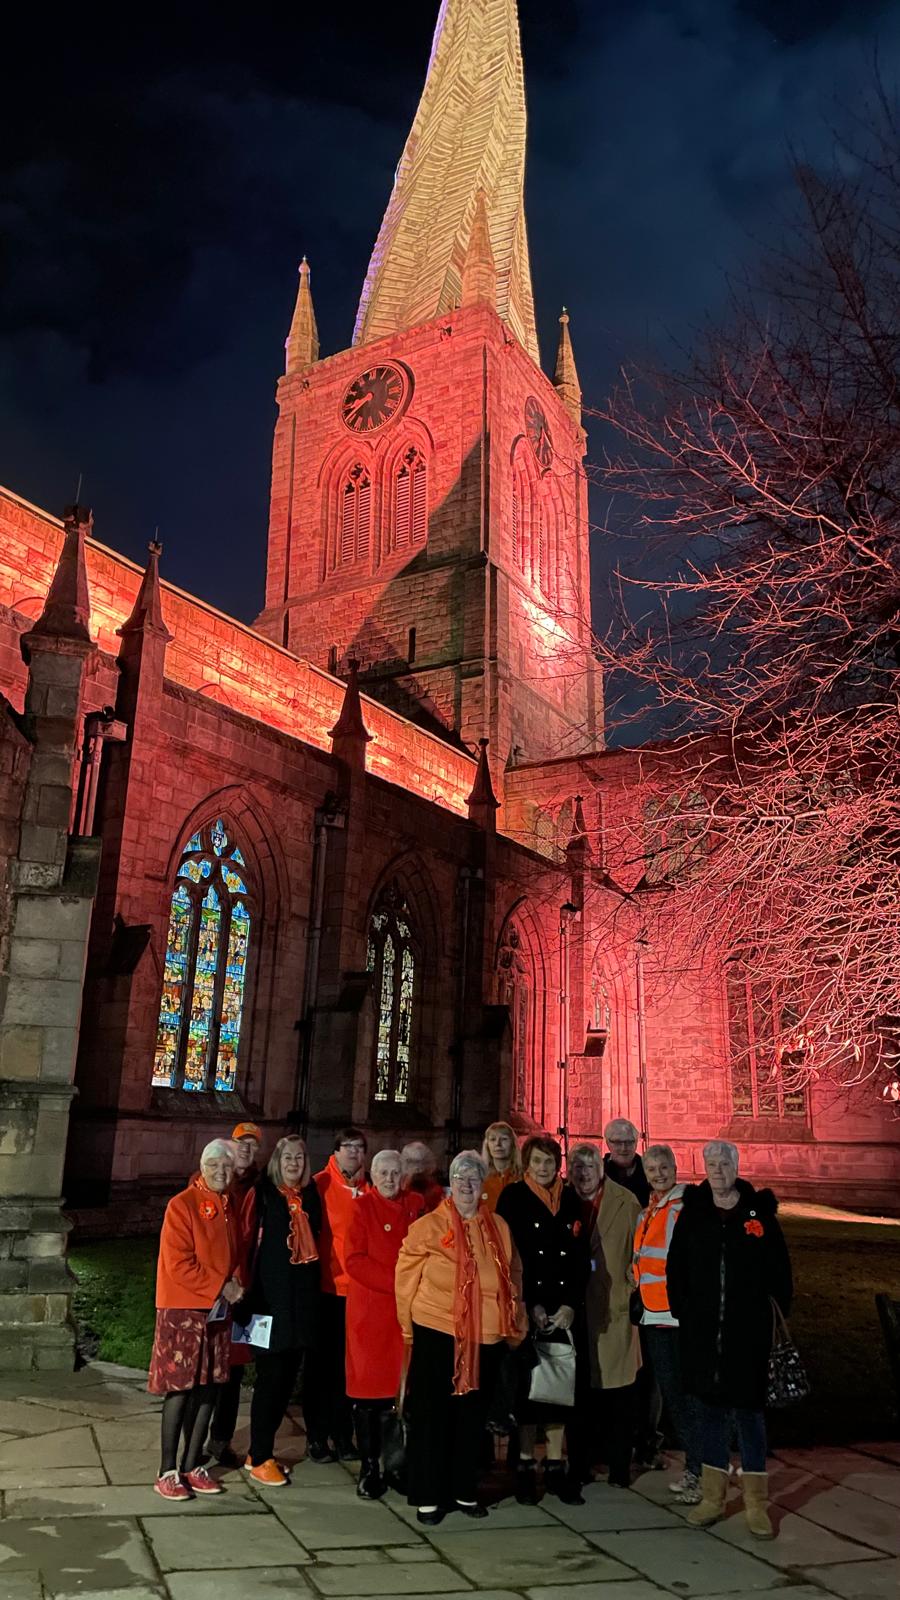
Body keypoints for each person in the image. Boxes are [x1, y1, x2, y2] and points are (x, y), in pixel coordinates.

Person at [667, 1140, 793, 1539]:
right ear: (703, 1167)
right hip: (704, 1335)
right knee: (711, 1416)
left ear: (736, 1166)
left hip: (747, 1336)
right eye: (711, 1163)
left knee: (750, 1417)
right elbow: (677, 1267)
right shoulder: (694, 1213)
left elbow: (779, 1271)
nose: (718, 1169)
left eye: (725, 1163)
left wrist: (772, 1316)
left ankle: (756, 1503)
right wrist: (684, 1310)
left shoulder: (758, 1214)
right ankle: (712, 1497)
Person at [396, 1149, 526, 1524]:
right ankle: (428, 1495)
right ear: (450, 1185)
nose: (466, 1185)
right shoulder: (428, 1227)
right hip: (437, 1330)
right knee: (431, 1415)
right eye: (459, 1178)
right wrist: (408, 1327)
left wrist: (513, 1319)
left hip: (485, 1336)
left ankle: (463, 1489)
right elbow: (405, 1279)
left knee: (471, 1417)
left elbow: (512, 1273)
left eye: (473, 1179)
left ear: (482, 1185)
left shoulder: (498, 1226)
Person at [148, 1139, 243, 1501]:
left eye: (228, 1167)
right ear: (202, 1167)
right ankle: (167, 1470)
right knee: (181, 1388)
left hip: (217, 1309)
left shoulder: (229, 1204)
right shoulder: (182, 1204)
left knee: (210, 1386)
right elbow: (179, 1263)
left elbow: (234, 1252)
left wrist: (235, 1283)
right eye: (215, 1165)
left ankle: (192, 1464)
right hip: (183, 1308)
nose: (222, 1172)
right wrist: (221, 1285)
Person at [497, 1135, 590, 1506]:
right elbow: (507, 1254)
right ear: (527, 1163)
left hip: (562, 1309)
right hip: (528, 1306)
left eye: (549, 1161)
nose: (544, 1168)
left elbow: (581, 1257)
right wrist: (529, 1304)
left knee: (558, 1389)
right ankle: (523, 1467)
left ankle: (555, 1467)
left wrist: (570, 1304)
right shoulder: (514, 1198)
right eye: (537, 1161)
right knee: (528, 1394)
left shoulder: (569, 1200)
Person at [240, 1135, 322, 1485]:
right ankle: (260, 1456)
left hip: (299, 1304)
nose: (294, 1164)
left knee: (286, 1381)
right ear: (277, 1160)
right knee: (270, 1381)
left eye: (300, 1158)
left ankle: (259, 1451)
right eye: (288, 1157)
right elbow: (245, 1241)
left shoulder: (310, 1197)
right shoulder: (263, 1195)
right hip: (268, 1303)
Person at [345, 1149, 424, 1497]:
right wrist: (399, 1281)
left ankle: (397, 1463)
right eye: (384, 1173)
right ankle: (369, 1466)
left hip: (407, 1315)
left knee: (400, 1394)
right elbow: (354, 1259)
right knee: (368, 1395)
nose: (390, 1179)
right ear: (372, 1176)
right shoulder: (361, 1208)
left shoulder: (417, 1205)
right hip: (372, 1314)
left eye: (396, 1173)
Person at [567, 1140, 641, 1489]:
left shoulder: (625, 1202)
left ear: (602, 1168)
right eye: (576, 1167)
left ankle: (619, 1465)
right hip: (574, 1307)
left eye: (589, 1166)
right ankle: (580, 1462)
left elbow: (639, 1252)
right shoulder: (562, 1201)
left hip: (613, 1305)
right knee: (580, 1391)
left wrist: (630, 1287)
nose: (583, 1173)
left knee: (620, 1392)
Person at [632, 1144, 701, 1503]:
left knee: (686, 1397)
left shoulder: (686, 1207)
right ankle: (699, 1468)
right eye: (652, 1169)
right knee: (674, 1398)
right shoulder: (649, 1212)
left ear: (675, 1167)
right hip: (654, 1316)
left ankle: (700, 1471)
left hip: (677, 1319)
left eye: (663, 1167)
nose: (658, 1174)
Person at [304, 1127, 370, 1460]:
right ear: (336, 1150)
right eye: (349, 1147)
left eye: (360, 1148)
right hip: (327, 1288)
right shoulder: (319, 1185)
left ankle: (344, 1435)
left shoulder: (369, 1187)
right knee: (320, 1367)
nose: (355, 1154)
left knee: (349, 1369)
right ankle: (316, 1436)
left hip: (358, 1294)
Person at [206, 1122, 264, 1466]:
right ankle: (195, 1438)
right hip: (215, 1289)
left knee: (235, 1368)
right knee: (208, 1366)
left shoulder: (261, 1186)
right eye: (241, 1143)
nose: (245, 1150)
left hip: (246, 1291)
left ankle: (220, 1439)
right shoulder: (213, 1180)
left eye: (252, 1146)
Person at [603, 1118, 650, 1206]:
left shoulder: (651, 1171)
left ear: (636, 1143)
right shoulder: (597, 1172)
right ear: (608, 1143)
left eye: (629, 1142)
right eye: (617, 1142)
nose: (624, 1148)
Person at [480, 1121, 522, 1210]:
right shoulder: (480, 1179)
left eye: (504, 1139)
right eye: (493, 1139)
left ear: (513, 1144)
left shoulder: (524, 1178)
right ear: (487, 1145)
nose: (498, 1144)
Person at [400, 1140, 444, 1212]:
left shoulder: (435, 1190)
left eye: (420, 1163)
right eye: (412, 1162)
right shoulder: (400, 1185)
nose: (417, 1168)